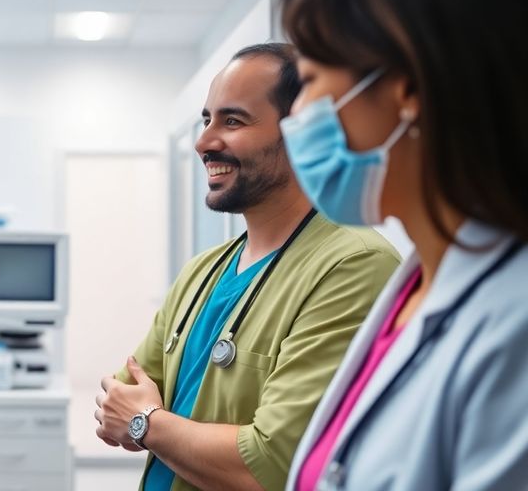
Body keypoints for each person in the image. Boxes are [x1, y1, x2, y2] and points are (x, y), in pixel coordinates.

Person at [94, 44, 401, 491]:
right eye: (207, 120)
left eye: (233, 121)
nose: (204, 142)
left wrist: (147, 422)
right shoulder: (203, 271)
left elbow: (268, 465)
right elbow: (115, 404)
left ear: (301, 132)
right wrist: (141, 417)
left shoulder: (354, 266)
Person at [276, 0, 528, 489]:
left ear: (408, 89)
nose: (295, 115)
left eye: (308, 81)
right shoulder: (419, 285)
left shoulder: (515, 322)